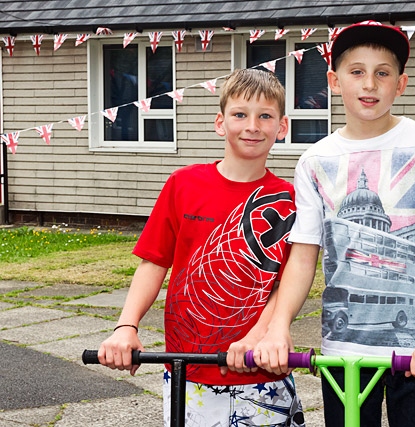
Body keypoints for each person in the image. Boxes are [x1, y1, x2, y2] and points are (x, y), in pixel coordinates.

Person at [250, 21, 415, 426]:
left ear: (401, 84)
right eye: (357, 71)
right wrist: (278, 326)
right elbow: (303, 255)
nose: (369, 84)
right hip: (343, 354)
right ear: (335, 81)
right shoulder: (315, 160)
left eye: (382, 72)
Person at [98, 68, 305, 427]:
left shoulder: (291, 200)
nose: (252, 126)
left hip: (262, 370)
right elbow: (153, 263)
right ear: (220, 123)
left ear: (282, 127)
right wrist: (125, 327)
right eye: (240, 114)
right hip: (188, 372)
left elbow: (287, 283)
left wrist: (260, 337)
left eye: (265, 116)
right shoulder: (183, 184)